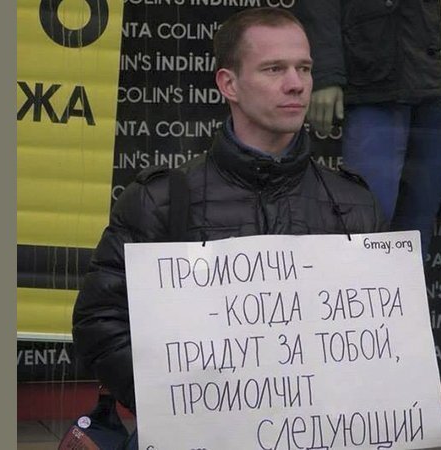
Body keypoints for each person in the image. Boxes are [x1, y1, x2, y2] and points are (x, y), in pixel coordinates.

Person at [72, 7, 386, 419]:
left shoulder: (354, 205)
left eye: (304, 68)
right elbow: (101, 321)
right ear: (229, 84)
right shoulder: (162, 201)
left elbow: (386, 337)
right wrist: (176, 399)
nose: (296, 84)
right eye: (274, 69)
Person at [293, 0, 441, 255]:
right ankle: (359, 281)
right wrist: (324, 72)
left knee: (419, 218)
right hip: (378, 62)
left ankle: (407, 283)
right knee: (368, 214)